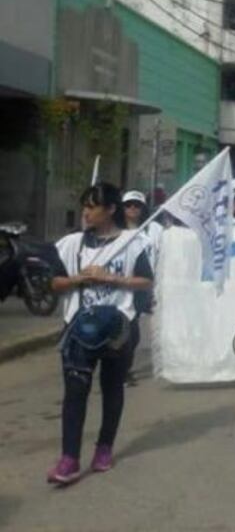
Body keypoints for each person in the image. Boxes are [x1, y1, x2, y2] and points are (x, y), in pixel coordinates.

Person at [46, 183, 154, 485]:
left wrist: (112, 277)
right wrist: (79, 278)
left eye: (92, 207)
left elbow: (146, 281)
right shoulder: (71, 244)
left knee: (112, 388)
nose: (86, 212)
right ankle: (69, 458)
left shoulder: (133, 243)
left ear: (110, 210)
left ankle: (104, 448)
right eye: (84, 206)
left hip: (119, 328)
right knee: (75, 392)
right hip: (79, 329)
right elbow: (54, 283)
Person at [120, 190, 162, 386]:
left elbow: (163, 254)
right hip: (119, 286)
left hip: (144, 286)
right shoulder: (116, 229)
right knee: (126, 329)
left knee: (135, 331)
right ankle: (122, 370)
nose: (132, 209)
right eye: (128, 205)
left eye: (137, 205)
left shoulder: (155, 230)